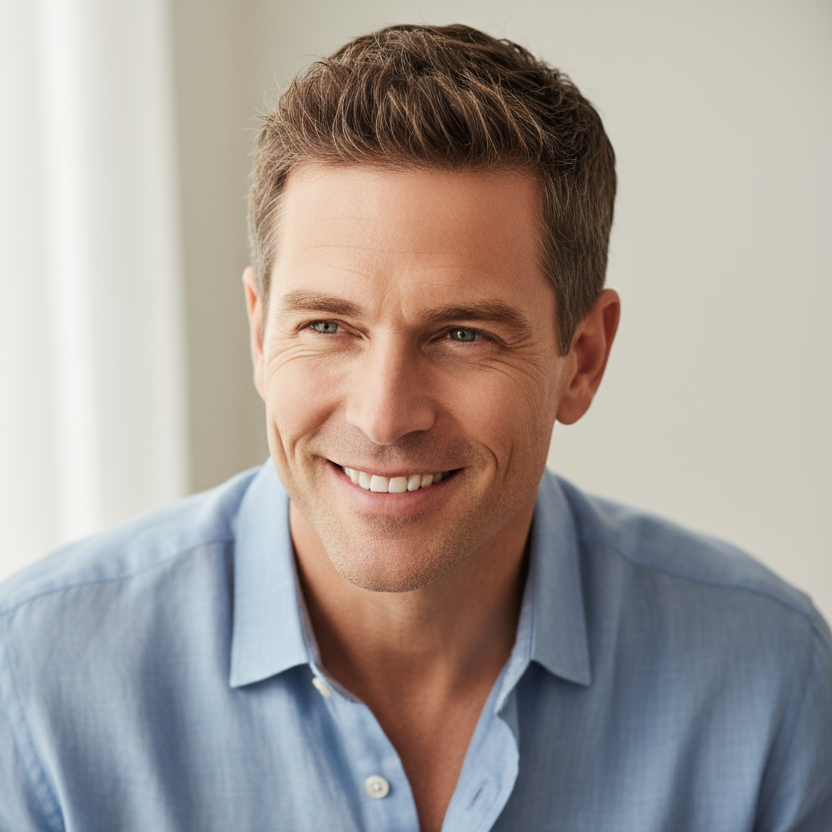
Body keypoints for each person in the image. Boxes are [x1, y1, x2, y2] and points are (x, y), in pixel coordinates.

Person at [1, 23, 830, 832]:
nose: (384, 416)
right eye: (328, 327)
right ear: (261, 336)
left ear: (580, 359)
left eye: (462, 334)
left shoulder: (769, 678)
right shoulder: (34, 681)